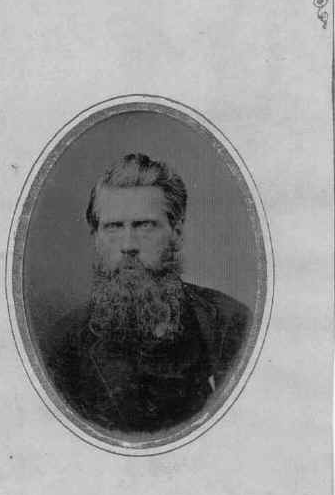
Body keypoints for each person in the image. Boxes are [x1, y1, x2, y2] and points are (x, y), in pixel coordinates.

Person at [45, 153, 251, 434]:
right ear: (95, 237)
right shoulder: (62, 346)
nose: (128, 245)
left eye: (144, 225)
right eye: (114, 227)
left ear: (176, 232)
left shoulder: (231, 325)